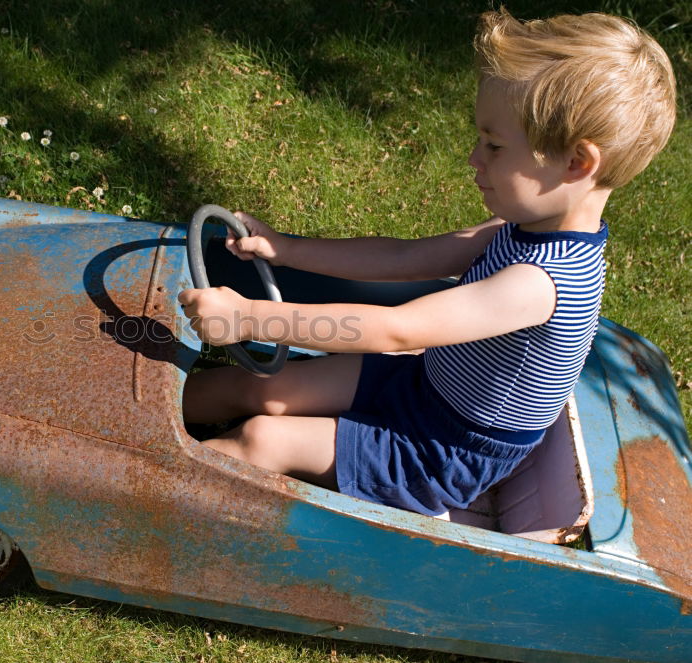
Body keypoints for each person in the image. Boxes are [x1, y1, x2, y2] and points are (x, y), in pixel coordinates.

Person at [177, 9, 677, 516]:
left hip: (442, 452)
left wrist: (250, 318)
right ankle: (125, 421)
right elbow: (404, 256)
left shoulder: (539, 283)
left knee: (264, 439)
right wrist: (287, 249)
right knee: (260, 387)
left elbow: (399, 330)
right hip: (422, 386)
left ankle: (146, 504)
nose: (474, 158)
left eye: (495, 145)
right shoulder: (522, 231)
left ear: (577, 163)